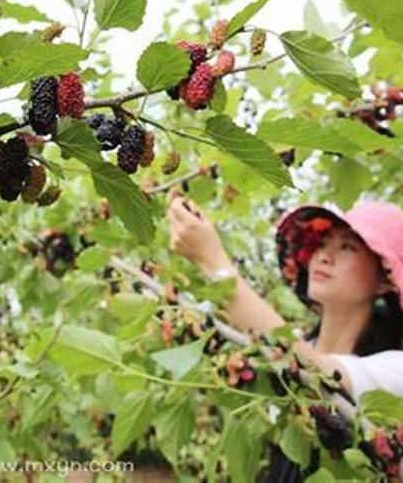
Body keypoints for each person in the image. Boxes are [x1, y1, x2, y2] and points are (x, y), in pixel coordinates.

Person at [166, 196, 403, 481]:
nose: (324, 256)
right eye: (322, 243)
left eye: (347, 246)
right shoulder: (293, 346)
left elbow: (313, 372)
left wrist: (212, 260)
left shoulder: (394, 371)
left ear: (385, 280)